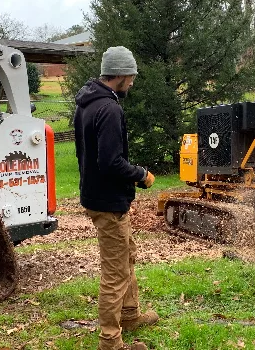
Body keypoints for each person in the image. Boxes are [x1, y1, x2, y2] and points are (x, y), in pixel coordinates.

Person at [74, 46, 159, 350]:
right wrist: (141, 175)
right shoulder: (108, 109)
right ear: (121, 75)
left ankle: (130, 315)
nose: (133, 83)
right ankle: (110, 340)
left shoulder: (87, 103)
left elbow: (86, 154)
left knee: (127, 256)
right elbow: (111, 162)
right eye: (132, 77)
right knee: (115, 272)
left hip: (100, 196)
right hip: (107, 201)